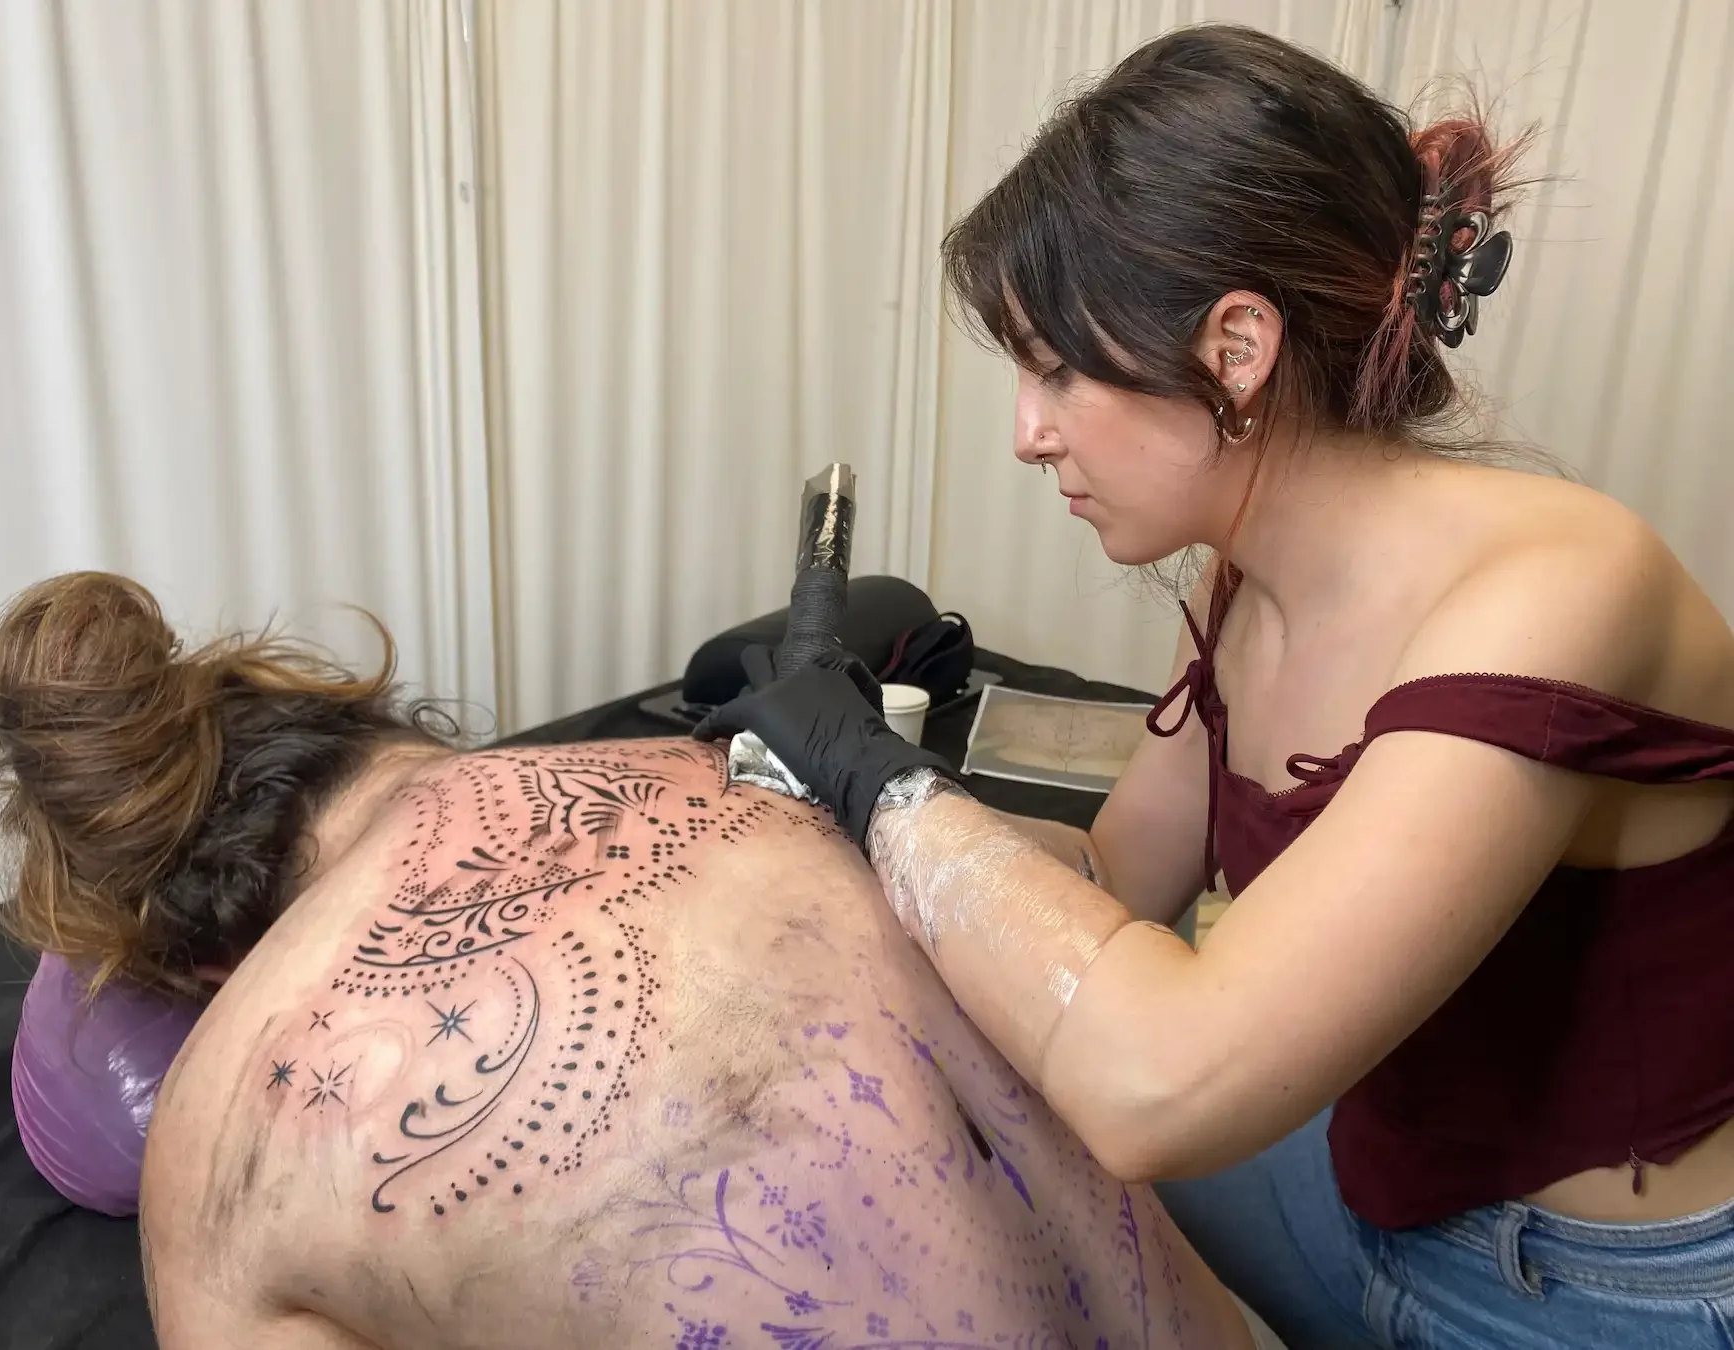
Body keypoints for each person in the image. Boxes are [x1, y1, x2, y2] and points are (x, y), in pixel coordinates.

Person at [693, 24, 1734, 1350]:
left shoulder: (1563, 592)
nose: (1027, 433)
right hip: (1356, 1180)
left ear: (1237, 344)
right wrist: (842, 799)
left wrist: (889, 789)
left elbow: (1161, 1085)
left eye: (1056, 368)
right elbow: (1114, 877)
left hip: (1585, 1291)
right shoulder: (1249, 584)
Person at [0, 570, 1284, 1350]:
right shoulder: (763, 768)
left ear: (192, 962)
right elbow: (1076, 888)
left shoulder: (223, 1161)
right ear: (354, 718)